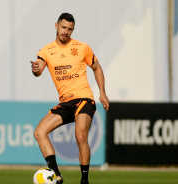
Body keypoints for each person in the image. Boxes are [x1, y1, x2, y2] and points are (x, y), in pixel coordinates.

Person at [30, 13, 109, 184]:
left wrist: (102, 92)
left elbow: (97, 67)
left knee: (80, 136)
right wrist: (35, 69)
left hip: (84, 99)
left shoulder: (82, 47)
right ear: (56, 26)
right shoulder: (46, 50)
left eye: (70, 29)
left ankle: (84, 181)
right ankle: (57, 176)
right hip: (66, 102)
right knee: (39, 132)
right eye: (64, 27)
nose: (66, 32)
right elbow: (39, 70)